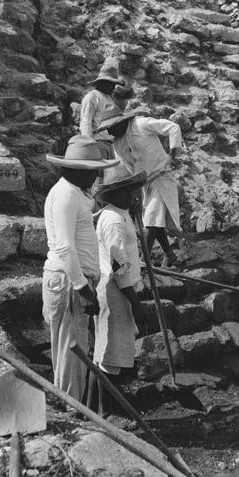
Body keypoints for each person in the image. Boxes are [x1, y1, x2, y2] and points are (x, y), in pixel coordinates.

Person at [43, 135, 118, 401]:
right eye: (93, 171)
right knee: (71, 352)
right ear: (77, 170)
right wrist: (82, 288)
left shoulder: (74, 193)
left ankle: (71, 405)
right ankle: (70, 409)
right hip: (69, 281)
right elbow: (64, 246)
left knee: (74, 349)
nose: (97, 176)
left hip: (74, 280)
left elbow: (78, 227)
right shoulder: (65, 195)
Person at [90, 164, 148, 413]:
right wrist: (137, 306)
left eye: (133, 191)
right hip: (114, 290)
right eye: (126, 192)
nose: (133, 196)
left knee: (109, 352)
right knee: (107, 355)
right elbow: (118, 267)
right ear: (112, 195)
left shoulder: (120, 214)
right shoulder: (113, 220)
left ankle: (101, 407)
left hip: (119, 288)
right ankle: (102, 410)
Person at [96, 107, 182, 267]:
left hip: (162, 175)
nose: (110, 131)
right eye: (107, 128)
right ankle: (169, 255)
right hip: (144, 182)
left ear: (120, 122)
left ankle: (144, 260)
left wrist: (173, 155)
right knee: (154, 220)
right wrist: (131, 189)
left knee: (151, 219)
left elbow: (172, 127)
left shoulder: (141, 124)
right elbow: (126, 168)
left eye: (111, 126)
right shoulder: (117, 144)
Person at [79, 58, 126, 159]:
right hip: (97, 141)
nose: (113, 87)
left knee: (109, 173)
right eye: (111, 83)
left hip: (110, 143)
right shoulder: (92, 97)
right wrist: (89, 143)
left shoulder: (109, 98)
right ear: (102, 82)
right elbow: (85, 122)